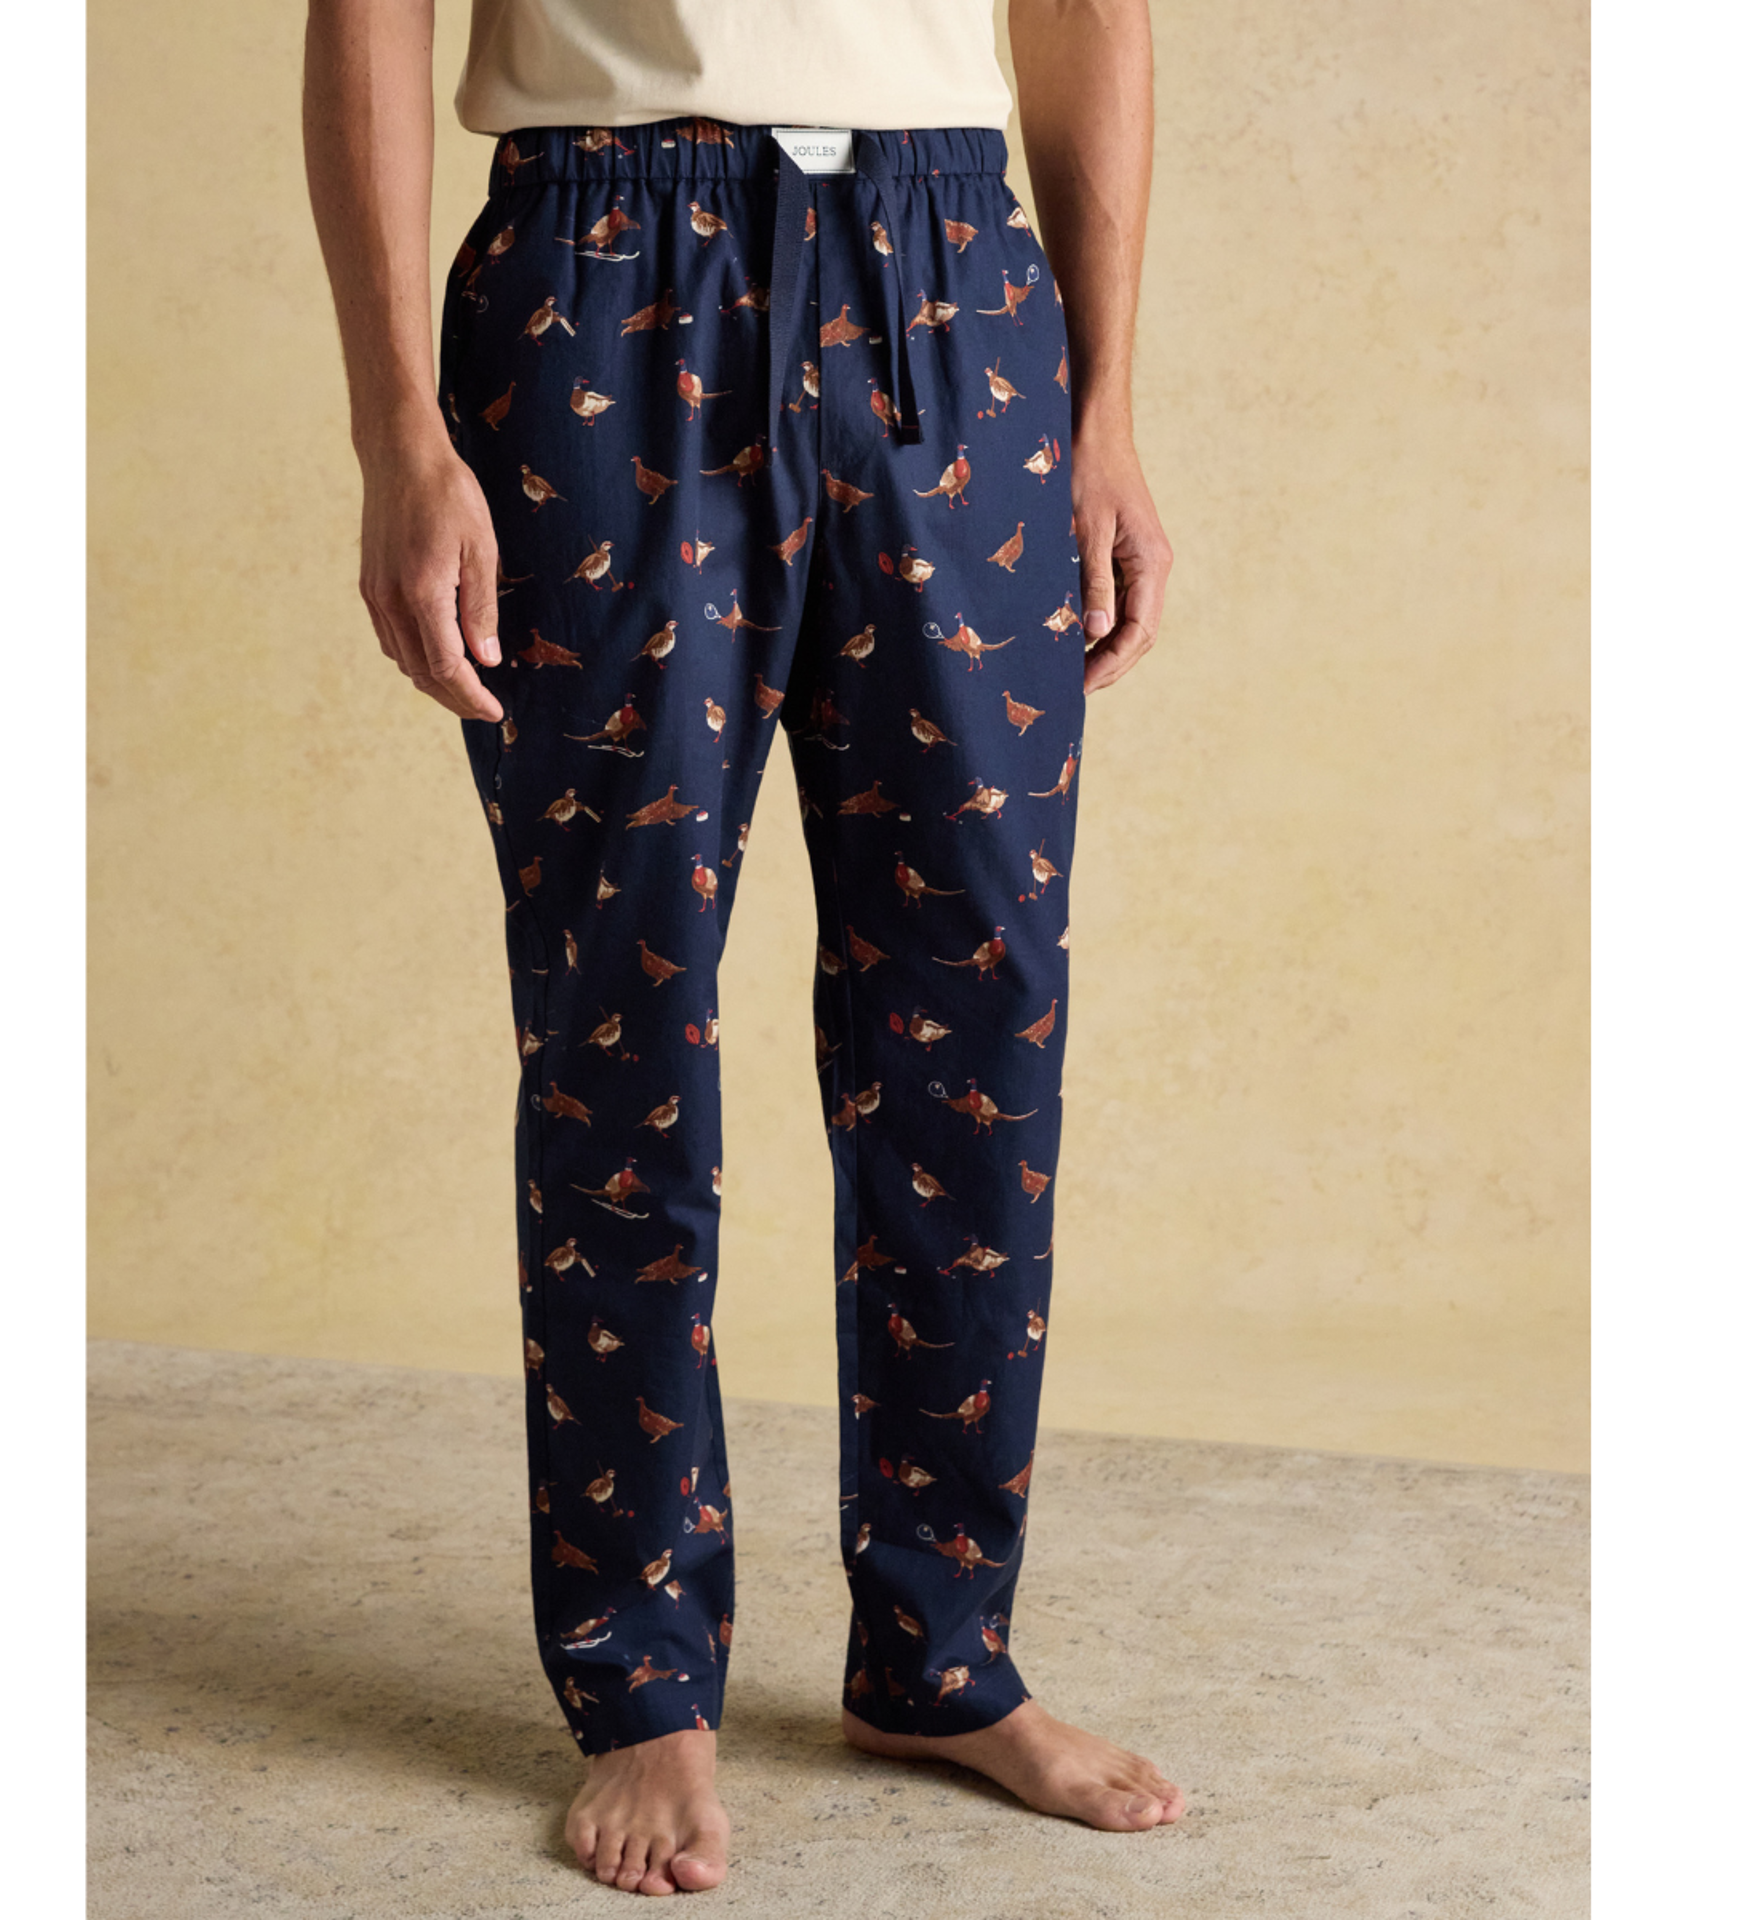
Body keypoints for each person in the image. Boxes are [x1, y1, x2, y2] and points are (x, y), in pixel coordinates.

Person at [302, 0, 1179, 1895]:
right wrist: (396, 429)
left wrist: (1104, 406)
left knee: (980, 1018)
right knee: (617, 1018)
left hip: (956, 278)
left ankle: (944, 1656)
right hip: (602, 269)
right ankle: (642, 1683)